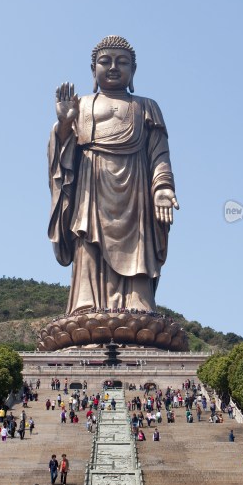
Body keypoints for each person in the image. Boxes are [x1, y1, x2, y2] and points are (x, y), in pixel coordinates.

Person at [48, 35, 179, 315]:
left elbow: (159, 154)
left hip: (136, 189)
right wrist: (64, 124)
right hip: (90, 187)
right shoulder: (81, 104)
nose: (113, 67)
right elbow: (62, 154)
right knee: (87, 242)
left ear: (133, 70)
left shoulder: (146, 106)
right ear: (93, 69)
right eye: (104, 61)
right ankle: (86, 303)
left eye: (122, 62)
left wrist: (163, 188)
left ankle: (139, 304)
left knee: (138, 245)